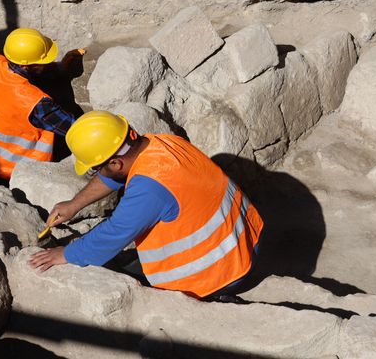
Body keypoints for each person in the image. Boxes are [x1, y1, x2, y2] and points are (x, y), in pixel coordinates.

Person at [28, 111, 264, 300]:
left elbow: (115, 233)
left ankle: (216, 298)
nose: (96, 172)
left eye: (96, 167)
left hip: (218, 272)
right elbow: (114, 173)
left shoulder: (150, 187)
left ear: (115, 162)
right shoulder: (161, 143)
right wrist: (74, 204)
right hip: (247, 240)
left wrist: (67, 254)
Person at [0, 28, 83, 193]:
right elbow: (76, 129)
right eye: (43, 62)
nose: (47, 63)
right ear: (26, 65)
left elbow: (25, 76)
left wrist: (60, 69)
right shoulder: (36, 103)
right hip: (13, 171)